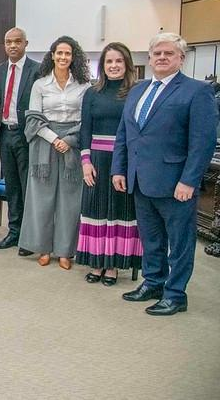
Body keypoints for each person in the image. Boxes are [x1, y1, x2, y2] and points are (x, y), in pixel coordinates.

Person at [112, 32, 217, 316]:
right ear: (149, 58)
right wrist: (119, 169)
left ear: (181, 58)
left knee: (180, 242)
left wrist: (189, 180)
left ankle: (175, 294)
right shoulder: (138, 90)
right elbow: (124, 133)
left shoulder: (197, 91)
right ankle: (153, 283)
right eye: (157, 53)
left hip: (176, 183)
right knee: (151, 238)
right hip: (139, 180)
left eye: (168, 53)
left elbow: (203, 142)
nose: (161, 58)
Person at [19, 36, 91, 270]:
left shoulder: (84, 86)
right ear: (52, 55)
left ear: (73, 57)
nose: (63, 57)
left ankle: (65, 251)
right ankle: (43, 248)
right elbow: (33, 118)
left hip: (73, 142)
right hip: (44, 143)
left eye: (67, 53)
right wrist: (54, 139)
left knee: (70, 201)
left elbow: (86, 119)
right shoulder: (40, 84)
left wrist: (68, 140)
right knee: (42, 199)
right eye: (59, 53)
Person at [75, 42, 142, 285]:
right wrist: (85, 161)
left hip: (124, 161)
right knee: (95, 209)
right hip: (96, 161)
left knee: (118, 210)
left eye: (119, 61)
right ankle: (96, 262)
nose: (114, 65)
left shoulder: (137, 92)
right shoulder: (92, 93)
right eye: (109, 61)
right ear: (102, 65)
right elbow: (85, 129)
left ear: (127, 64)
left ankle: (112, 265)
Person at [0, 27, 40, 256]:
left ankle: (29, 237)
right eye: (8, 42)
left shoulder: (37, 70)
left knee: (27, 186)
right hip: (5, 134)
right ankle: (14, 231)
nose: (12, 45)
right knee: (11, 186)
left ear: (25, 43)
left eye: (17, 41)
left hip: (26, 135)